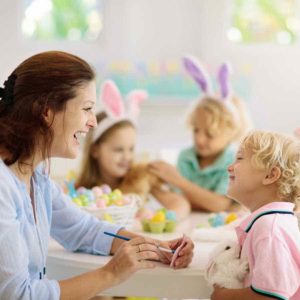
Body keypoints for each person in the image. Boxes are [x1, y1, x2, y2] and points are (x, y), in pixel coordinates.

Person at [0, 51, 194, 300]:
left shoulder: (35, 176)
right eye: (87, 109)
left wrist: (155, 247)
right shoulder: (4, 184)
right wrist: (111, 275)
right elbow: (18, 296)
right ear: (45, 111)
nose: (92, 122)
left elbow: (84, 229)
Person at [75, 80, 191, 220]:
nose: (127, 156)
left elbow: (181, 204)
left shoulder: (142, 179)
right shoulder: (83, 192)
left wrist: (158, 219)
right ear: (95, 150)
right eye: (118, 150)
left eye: (131, 149)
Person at [150, 55, 252, 212]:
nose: (199, 138)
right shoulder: (186, 157)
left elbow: (220, 205)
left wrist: (178, 181)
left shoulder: (232, 162)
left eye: (210, 134)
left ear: (231, 132)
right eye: (196, 130)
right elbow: (181, 200)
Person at [211, 130, 300, 300]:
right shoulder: (270, 223)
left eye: (240, 158)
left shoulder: (270, 229)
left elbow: (271, 296)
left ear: (270, 175)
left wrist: (224, 296)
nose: (229, 167)